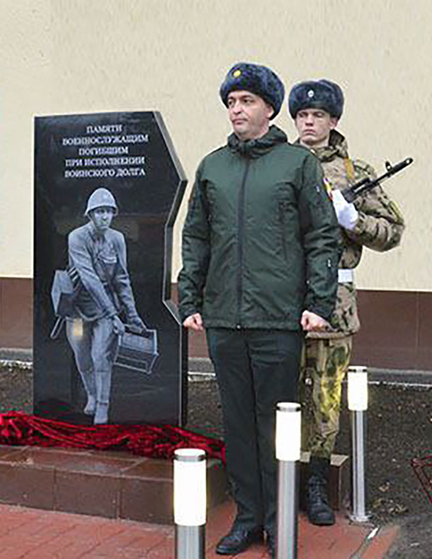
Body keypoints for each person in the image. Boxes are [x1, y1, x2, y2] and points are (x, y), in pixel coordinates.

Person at [178, 62, 340, 557]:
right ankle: (247, 518)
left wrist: (318, 302)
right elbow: (196, 238)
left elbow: (322, 236)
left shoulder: (297, 164)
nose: (236, 110)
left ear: (270, 109)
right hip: (225, 318)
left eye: (246, 101)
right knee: (237, 424)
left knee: (275, 425)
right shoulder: (212, 167)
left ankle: (276, 522)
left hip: (277, 319)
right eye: (231, 102)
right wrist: (190, 298)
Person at [289, 79, 405, 526]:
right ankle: (282, 479)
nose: (309, 122)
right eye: (301, 116)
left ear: (333, 121)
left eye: (317, 116)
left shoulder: (357, 172)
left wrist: (353, 220)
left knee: (324, 396)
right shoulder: (282, 164)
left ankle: (316, 481)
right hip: (282, 301)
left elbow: (393, 230)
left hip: (334, 306)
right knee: (282, 395)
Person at [65, 187, 145, 425]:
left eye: (109, 212)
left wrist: (132, 315)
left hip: (105, 308)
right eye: (99, 212)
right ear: (90, 214)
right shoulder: (77, 237)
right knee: (81, 355)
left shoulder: (117, 239)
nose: (104, 217)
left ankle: (102, 405)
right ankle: (91, 394)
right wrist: (115, 315)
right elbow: (88, 278)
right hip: (77, 309)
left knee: (101, 356)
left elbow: (122, 278)